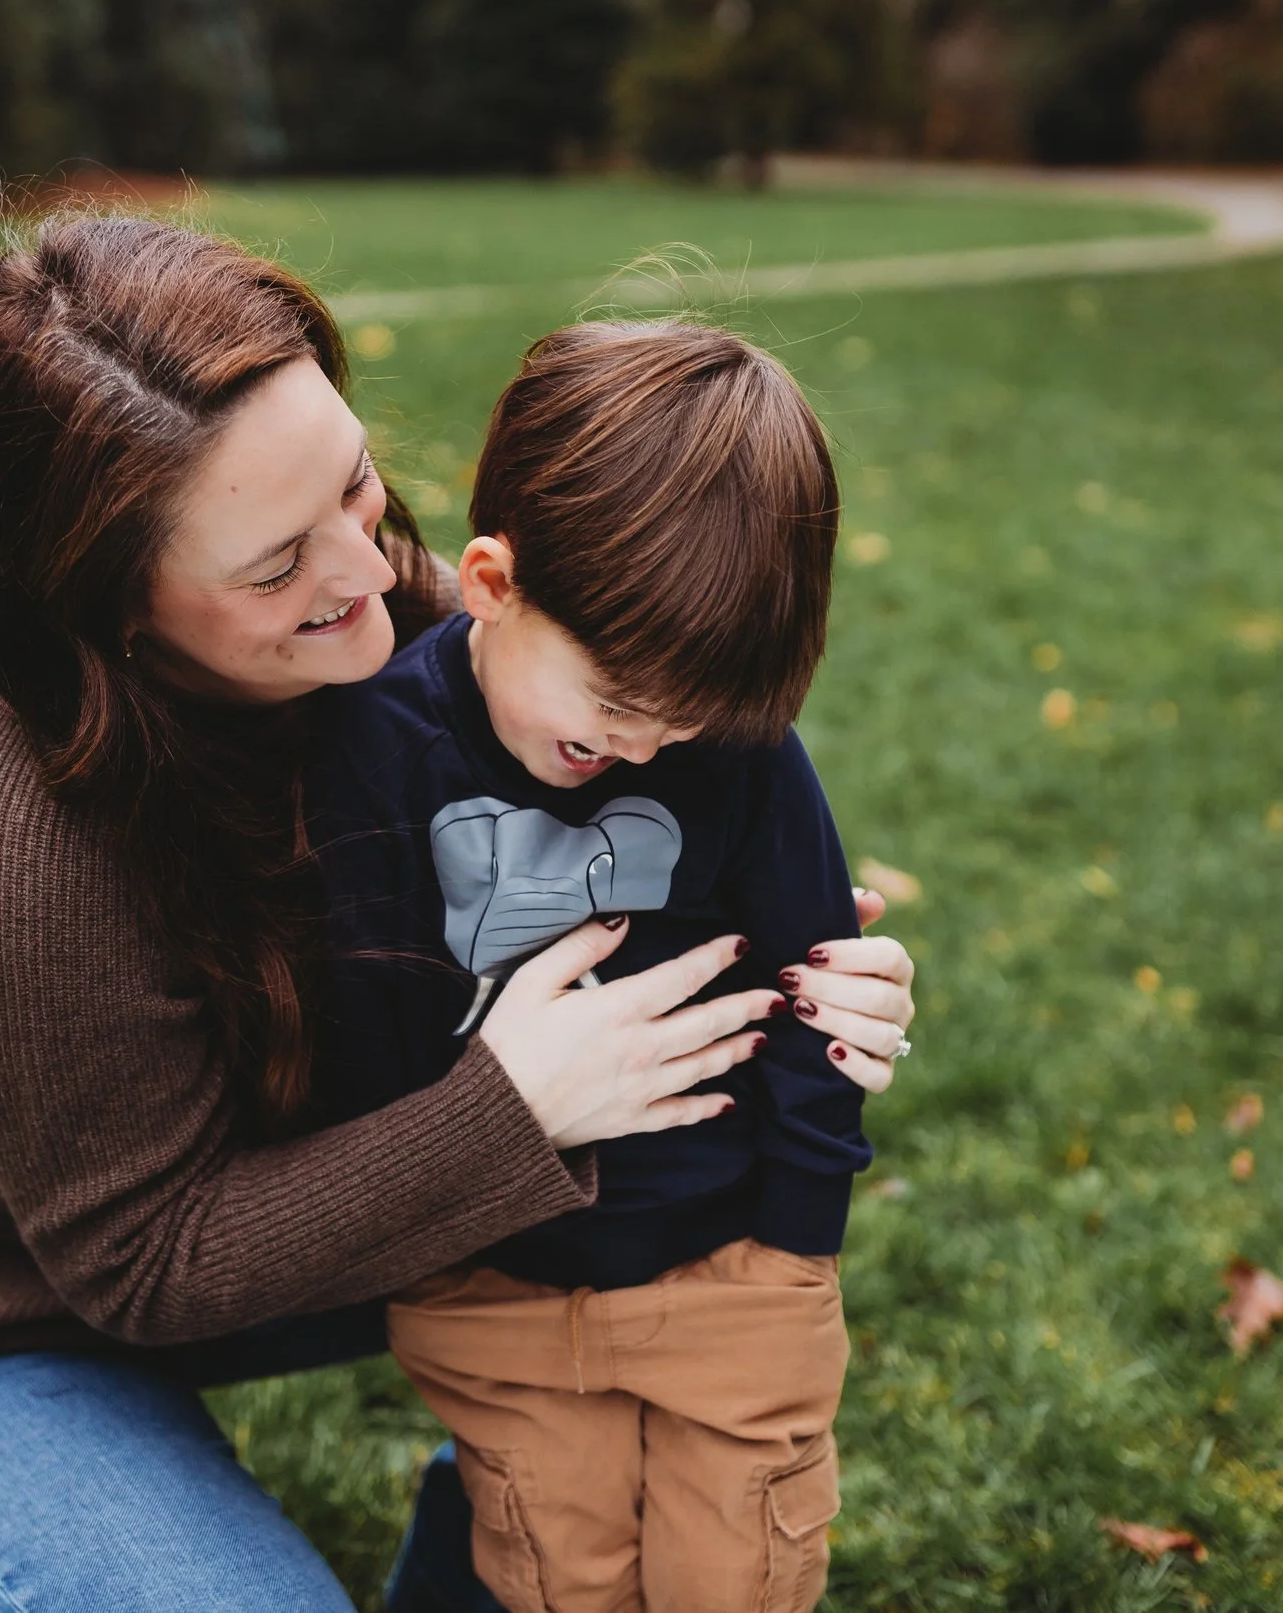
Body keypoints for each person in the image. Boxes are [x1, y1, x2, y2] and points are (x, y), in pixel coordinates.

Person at [0, 213, 919, 1613]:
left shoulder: (460, 645)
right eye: (274, 569)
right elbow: (144, 1262)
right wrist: (516, 1104)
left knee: (591, 1511)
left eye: (357, 487)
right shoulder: (24, 839)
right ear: (110, 613)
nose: (374, 577)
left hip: (333, 1253)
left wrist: (809, 978)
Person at [310, 320, 876, 1612]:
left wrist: (797, 1245)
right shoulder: (378, 755)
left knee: (736, 1572)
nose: (645, 747)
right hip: (500, 1294)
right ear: (492, 582)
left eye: (685, 723)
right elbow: (360, 1039)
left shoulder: (733, 750)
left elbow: (819, 985)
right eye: (615, 703)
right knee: (563, 1578)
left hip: (730, 1266)